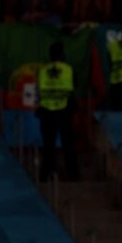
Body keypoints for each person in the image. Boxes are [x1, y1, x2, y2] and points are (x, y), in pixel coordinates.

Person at [37, 42, 79, 182]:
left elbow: (39, 92)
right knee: (68, 146)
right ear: (62, 55)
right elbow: (74, 87)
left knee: (48, 147)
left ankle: (43, 178)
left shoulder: (42, 71)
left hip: (46, 113)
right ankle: (73, 178)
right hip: (64, 111)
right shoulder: (68, 70)